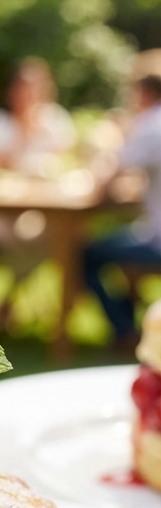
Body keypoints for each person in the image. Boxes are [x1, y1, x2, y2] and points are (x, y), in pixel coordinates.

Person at [83, 64, 161, 343]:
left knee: (86, 255)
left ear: (143, 93)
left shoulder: (151, 126)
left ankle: (125, 331)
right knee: (120, 244)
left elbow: (110, 175)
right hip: (152, 230)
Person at [0, 58, 76, 175]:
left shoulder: (56, 119)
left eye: (38, 86)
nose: (32, 93)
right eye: (25, 87)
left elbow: (68, 160)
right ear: (11, 90)